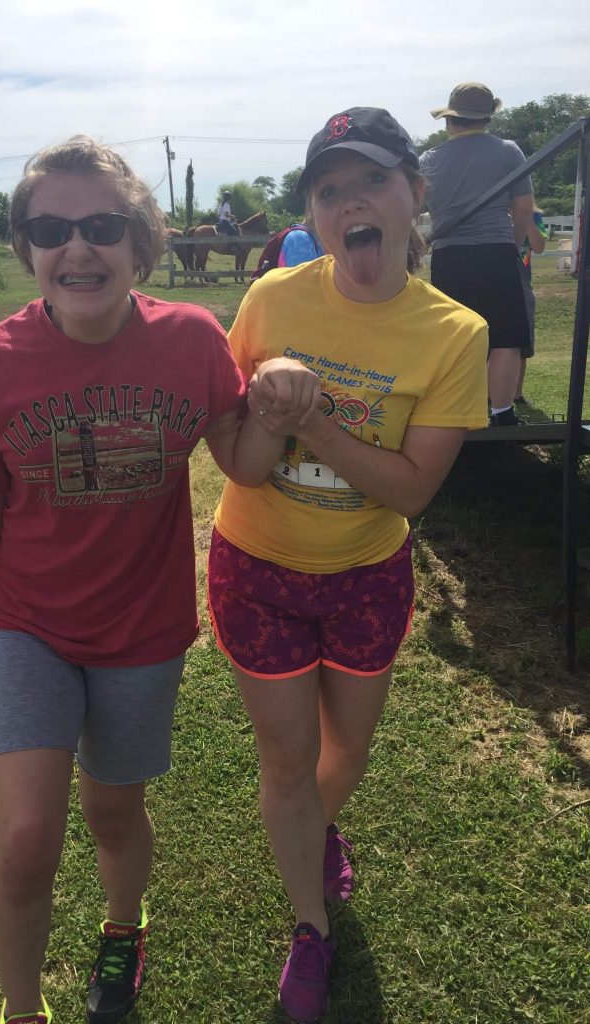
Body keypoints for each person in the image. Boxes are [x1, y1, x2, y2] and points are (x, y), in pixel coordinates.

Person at [0, 135, 291, 1024]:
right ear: (25, 249)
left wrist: (273, 400)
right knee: (29, 837)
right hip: (26, 624)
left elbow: (244, 463)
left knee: (114, 813)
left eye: (102, 226)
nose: (77, 248)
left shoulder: (189, 339)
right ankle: (23, 1010)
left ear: (140, 244)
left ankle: (124, 926)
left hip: (141, 630)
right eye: (51, 228)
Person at [207, 107, 489, 1024]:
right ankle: (307, 926)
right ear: (316, 217)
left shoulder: (455, 333)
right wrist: (266, 408)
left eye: (369, 181)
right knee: (286, 760)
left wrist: (315, 415)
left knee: (346, 751)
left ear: (414, 193)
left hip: (369, 572)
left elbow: (408, 493)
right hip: (256, 563)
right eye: (329, 191)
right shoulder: (271, 301)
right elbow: (243, 467)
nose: (348, 202)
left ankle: (312, 831)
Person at [419, 82, 535, 427]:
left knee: (455, 338)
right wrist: (512, 245)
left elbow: (418, 209)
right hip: (496, 251)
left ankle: (455, 413)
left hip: (450, 257)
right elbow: (524, 207)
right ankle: (502, 413)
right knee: (505, 338)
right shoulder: (508, 151)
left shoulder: (429, 160)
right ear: (487, 118)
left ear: (449, 120)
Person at [515, 205, 547, 404]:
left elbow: (540, 246)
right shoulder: (492, 209)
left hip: (521, 280)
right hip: (490, 276)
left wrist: (525, 215)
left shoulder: (534, 215)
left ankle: (517, 393)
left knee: (522, 338)